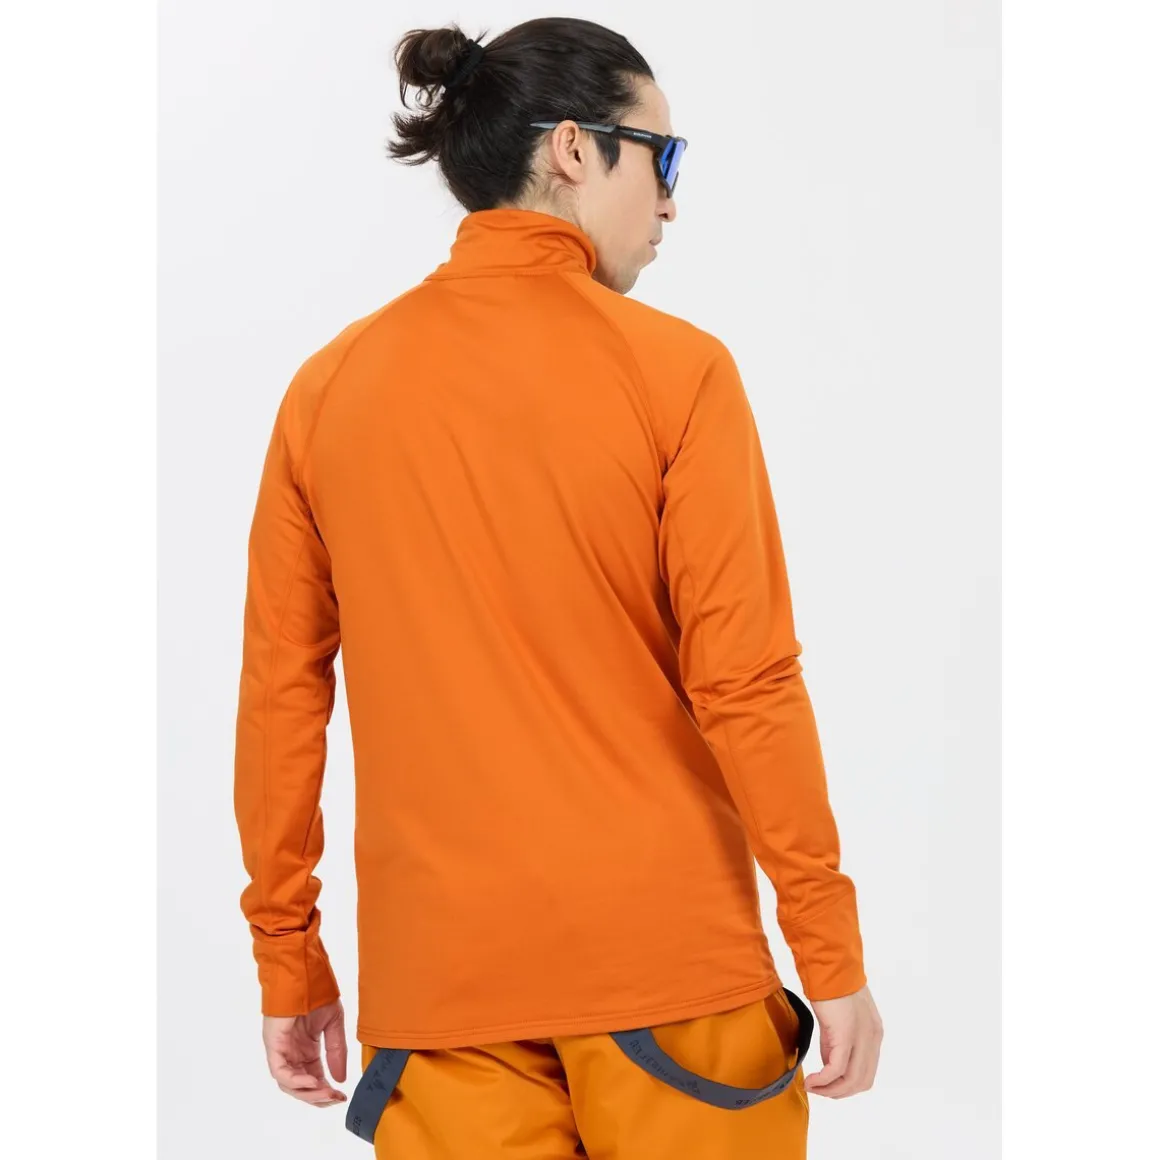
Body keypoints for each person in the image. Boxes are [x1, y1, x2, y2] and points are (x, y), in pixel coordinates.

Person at [232, 15, 882, 1157]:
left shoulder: (329, 389)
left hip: (442, 993)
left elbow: (282, 695)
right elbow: (746, 682)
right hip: (668, 969)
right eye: (663, 158)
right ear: (574, 148)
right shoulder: (676, 373)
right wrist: (828, 950)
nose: (670, 203)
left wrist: (289, 959)